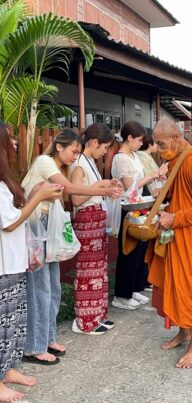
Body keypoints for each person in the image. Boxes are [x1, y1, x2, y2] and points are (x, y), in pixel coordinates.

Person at [22, 129, 120, 365]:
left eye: (78, 153)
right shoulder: (45, 162)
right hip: (35, 235)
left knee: (53, 289)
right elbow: (72, 190)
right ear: (59, 147)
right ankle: (34, 347)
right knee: (40, 291)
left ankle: (48, 338)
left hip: (48, 235)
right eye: (74, 151)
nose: (76, 156)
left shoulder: (58, 168)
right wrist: (103, 190)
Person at [147, 118, 192, 369]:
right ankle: (183, 332)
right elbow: (181, 195)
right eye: (156, 144)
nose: (158, 149)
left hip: (189, 236)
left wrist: (175, 217)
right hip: (172, 233)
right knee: (173, 284)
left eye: (161, 143)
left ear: (177, 137)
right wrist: (165, 197)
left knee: (190, 288)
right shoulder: (175, 162)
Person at [0, 123, 63, 402]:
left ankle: (8, 370)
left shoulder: (6, 179)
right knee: (3, 322)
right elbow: (10, 223)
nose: (15, 143)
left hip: (15, 261)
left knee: (14, 321)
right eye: (10, 139)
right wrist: (39, 195)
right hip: (3, 264)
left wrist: (36, 191)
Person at [70, 124, 123, 335]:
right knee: (88, 271)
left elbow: (92, 189)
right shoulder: (80, 164)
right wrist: (101, 188)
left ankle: (97, 315)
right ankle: (85, 319)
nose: (105, 152)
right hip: (87, 220)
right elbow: (76, 198)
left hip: (96, 219)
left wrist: (105, 184)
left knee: (98, 270)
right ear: (94, 143)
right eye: (105, 147)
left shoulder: (88, 161)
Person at [111, 121, 166, 310]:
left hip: (138, 205)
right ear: (129, 138)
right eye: (139, 140)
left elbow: (139, 184)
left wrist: (156, 176)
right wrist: (152, 176)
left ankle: (134, 288)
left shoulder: (133, 155)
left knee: (139, 250)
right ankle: (122, 294)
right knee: (127, 251)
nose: (141, 143)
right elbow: (129, 187)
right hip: (126, 208)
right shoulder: (120, 158)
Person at [136, 130, 167, 196]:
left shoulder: (147, 156)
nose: (158, 146)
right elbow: (146, 178)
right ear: (150, 144)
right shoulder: (142, 157)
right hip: (149, 194)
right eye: (156, 143)